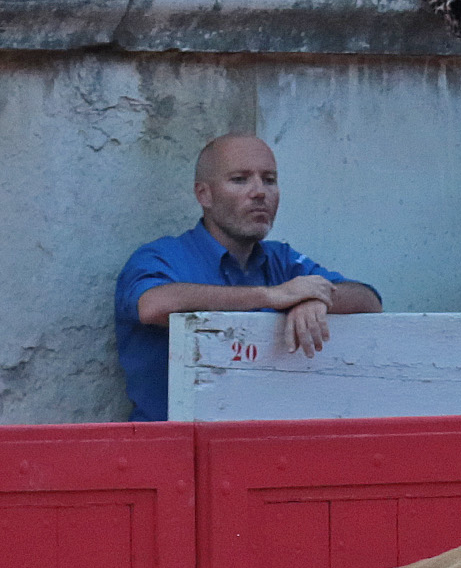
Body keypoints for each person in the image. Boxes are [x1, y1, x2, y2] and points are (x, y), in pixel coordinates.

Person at [114, 135, 382, 422]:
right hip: (172, 452)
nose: (259, 192)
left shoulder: (281, 259)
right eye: (240, 179)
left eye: (269, 179)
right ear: (204, 195)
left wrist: (316, 300)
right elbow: (154, 305)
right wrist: (271, 296)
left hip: (268, 448)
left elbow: (369, 300)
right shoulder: (162, 256)